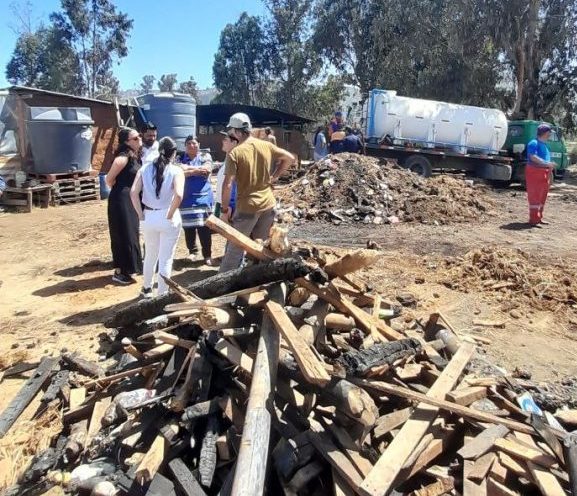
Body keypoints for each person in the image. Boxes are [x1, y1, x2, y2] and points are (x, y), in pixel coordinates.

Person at [219, 112, 295, 273]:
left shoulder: (235, 153)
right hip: (268, 205)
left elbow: (227, 185)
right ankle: (260, 283)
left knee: (235, 249)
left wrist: (224, 210)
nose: (231, 134)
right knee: (261, 249)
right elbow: (289, 158)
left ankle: (219, 291)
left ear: (238, 132)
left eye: (232, 131)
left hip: (247, 207)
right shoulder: (265, 145)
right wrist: (274, 177)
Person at [130, 137, 184, 297]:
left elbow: (133, 193)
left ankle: (147, 288)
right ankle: (162, 293)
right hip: (168, 215)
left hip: (149, 215)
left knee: (150, 254)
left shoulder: (144, 168)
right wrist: (170, 213)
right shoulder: (176, 170)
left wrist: (140, 214)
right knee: (166, 258)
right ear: (173, 153)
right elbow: (179, 195)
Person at [105, 127, 143, 284]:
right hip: (121, 199)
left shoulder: (134, 156)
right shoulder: (123, 157)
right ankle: (120, 271)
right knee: (123, 234)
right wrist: (122, 190)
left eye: (139, 136)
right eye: (135, 138)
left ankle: (130, 269)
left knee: (131, 233)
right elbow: (108, 179)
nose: (139, 139)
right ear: (127, 142)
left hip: (130, 199)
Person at [179, 135, 214, 265]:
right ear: (185, 145)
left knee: (204, 227)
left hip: (203, 198)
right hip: (186, 199)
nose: (191, 146)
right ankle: (192, 252)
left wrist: (187, 170)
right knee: (188, 228)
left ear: (199, 144)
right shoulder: (180, 157)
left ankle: (207, 255)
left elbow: (207, 170)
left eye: (194, 143)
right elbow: (178, 172)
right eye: (188, 143)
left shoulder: (205, 156)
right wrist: (197, 171)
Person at [526, 124, 556, 226]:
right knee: (535, 195)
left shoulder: (545, 145)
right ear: (545, 132)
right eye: (549, 132)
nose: (550, 134)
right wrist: (547, 163)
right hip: (534, 172)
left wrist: (550, 170)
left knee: (542, 196)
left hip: (544, 172)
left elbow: (546, 160)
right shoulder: (533, 143)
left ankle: (539, 218)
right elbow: (533, 157)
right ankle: (533, 219)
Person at [214, 131, 238, 217]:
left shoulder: (236, 161)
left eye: (225, 139)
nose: (223, 141)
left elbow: (232, 186)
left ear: (234, 142)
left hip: (228, 208)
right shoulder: (227, 160)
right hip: (220, 203)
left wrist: (227, 209)